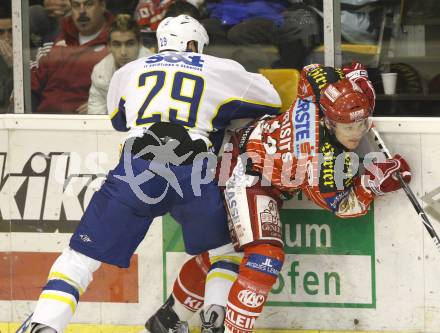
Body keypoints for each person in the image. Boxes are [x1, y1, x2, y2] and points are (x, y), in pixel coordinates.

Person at [27, 14, 282, 333]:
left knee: (81, 256)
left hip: (137, 167)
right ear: (194, 45)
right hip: (195, 170)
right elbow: (272, 100)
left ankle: (45, 324)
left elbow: (119, 119)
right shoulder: (220, 68)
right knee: (224, 251)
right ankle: (215, 319)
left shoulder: (128, 70)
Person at [142, 63, 412, 333]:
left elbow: (312, 71)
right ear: (328, 121)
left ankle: (164, 322)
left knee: (223, 253)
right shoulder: (318, 161)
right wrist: (372, 184)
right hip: (245, 172)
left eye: (361, 123)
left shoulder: (317, 100)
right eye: (347, 127)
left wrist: (356, 85)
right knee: (264, 256)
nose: (357, 133)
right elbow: (342, 205)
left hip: (244, 157)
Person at [31, 0, 113, 114]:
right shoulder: (57, 41)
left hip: (86, 126)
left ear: (103, 6)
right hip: (41, 122)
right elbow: (32, 83)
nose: (82, 11)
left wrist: (104, 106)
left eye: (89, 4)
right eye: (76, 5)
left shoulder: (118, 44)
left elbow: (131, 91)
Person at [87, 14, 153, 114]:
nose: (123, 52)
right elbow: (95, 114)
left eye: (130, 44)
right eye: (117, 44)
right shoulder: (101, 71)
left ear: (140, 44)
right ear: (108, 46)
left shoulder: (156, 68)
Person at [0, 3, 13, 113]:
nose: (6, 38)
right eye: (1, 32)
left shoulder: (28, 54)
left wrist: (14, 65)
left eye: (11, 31)